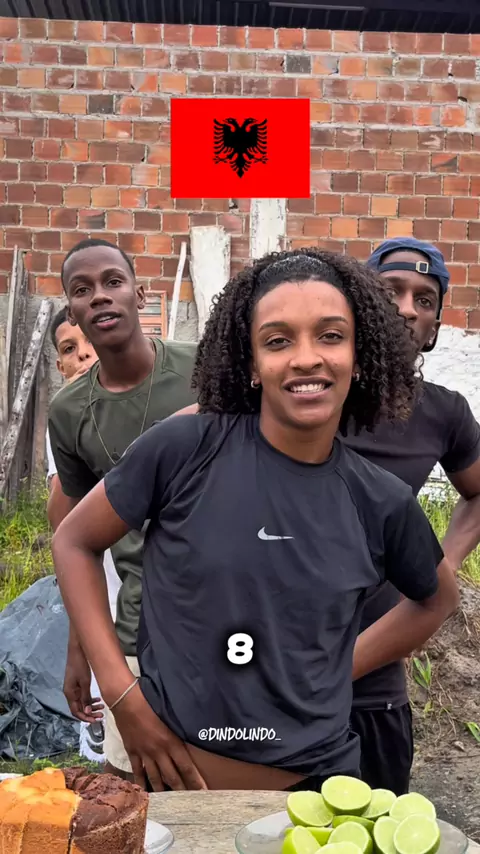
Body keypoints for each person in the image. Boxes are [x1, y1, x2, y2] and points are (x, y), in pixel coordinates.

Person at [51, 248, 459, 794]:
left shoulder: (379, 499)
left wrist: (338, 669)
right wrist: (123, 694)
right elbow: (74, 541)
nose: (306, 358)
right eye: (278, 341)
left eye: (331, 336)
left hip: (314, 798)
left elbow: (437, 598)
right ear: (250, 362)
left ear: (359, 355)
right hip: (175, 789)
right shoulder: (186, 448)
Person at [47, 238, 198, 778]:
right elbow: (78, 541)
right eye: (82, 289)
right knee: (137, 788)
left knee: (223, 793)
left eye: (113, 281)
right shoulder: (69, 412)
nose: (100, 296)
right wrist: (82, 649)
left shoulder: (201, 370)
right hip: (138, 629)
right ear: (72, 311)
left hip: (224, 621)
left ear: (141, 293)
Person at [345, 237, 480, 795]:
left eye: (425, 300)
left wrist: (439, 566)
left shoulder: (443, 413)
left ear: (435, 327)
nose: (407, 308)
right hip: (273, 667)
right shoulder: (309, 393)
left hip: (375, 676)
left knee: (377, 820)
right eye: (391, 291)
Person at [47, 306, 122, 763]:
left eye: (89, 343)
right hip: (99, 574)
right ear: (61, 366)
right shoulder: (64, 419)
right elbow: (62, 520)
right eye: (70, 349)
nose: (83, 355)